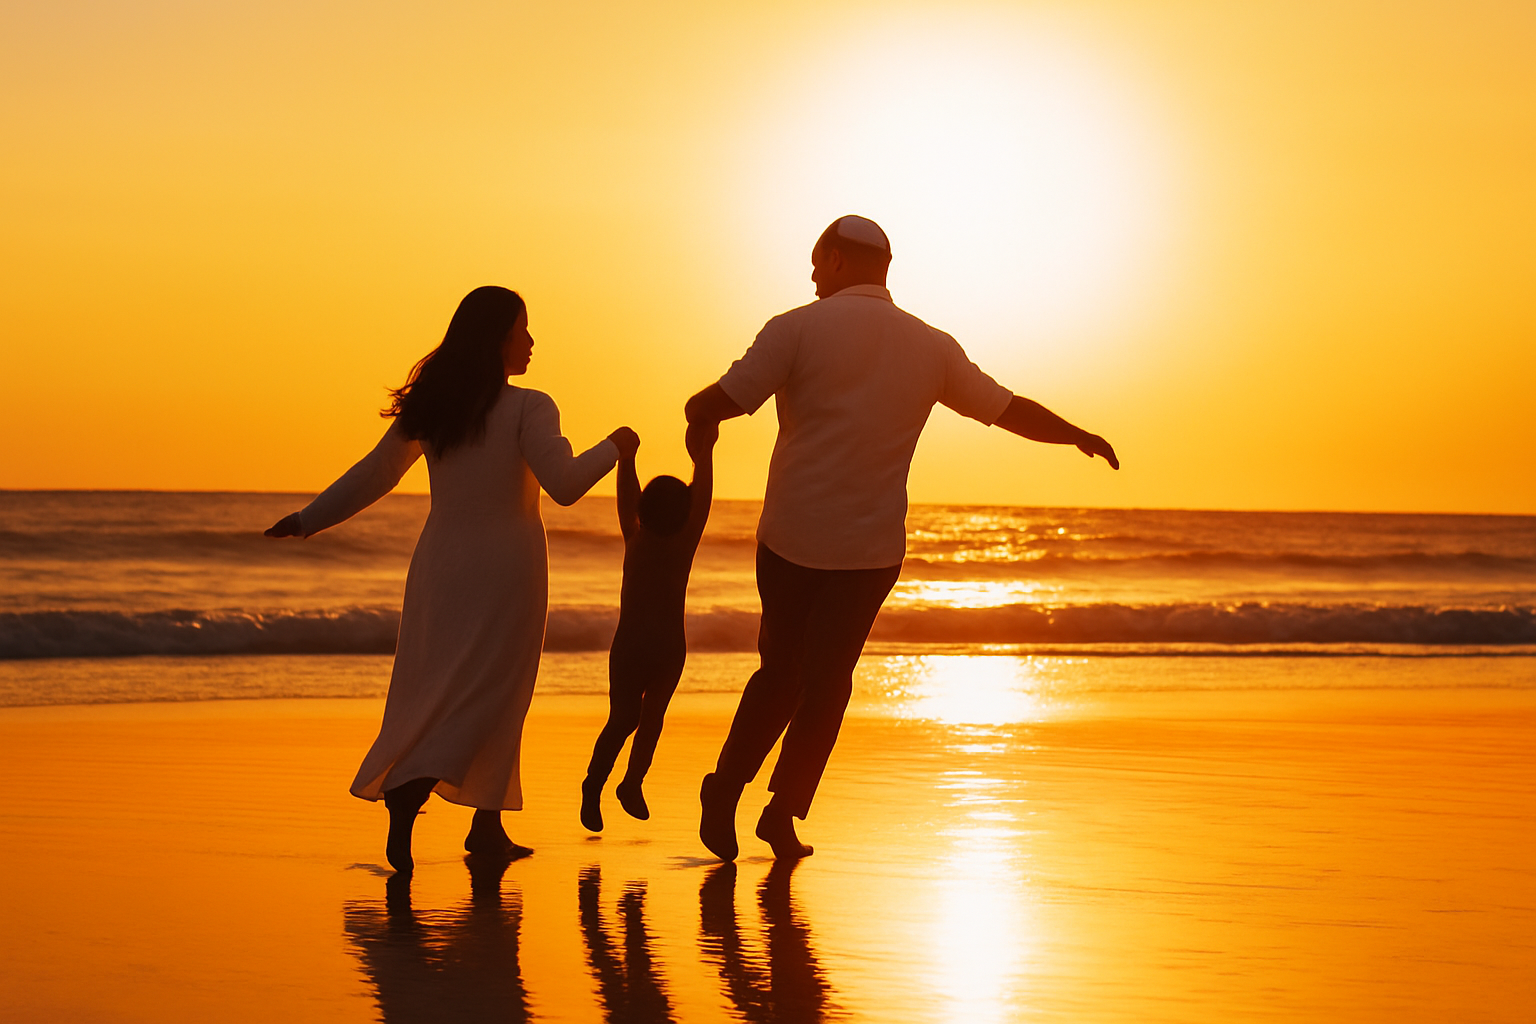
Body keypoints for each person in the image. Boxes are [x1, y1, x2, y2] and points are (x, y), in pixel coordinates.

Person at [686, 215, 1119, 862]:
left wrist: (699, 433)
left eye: (814, 261)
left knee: (781, 674)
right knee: (830, 681)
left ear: (835, 259)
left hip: (790, 538)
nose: (810, 275)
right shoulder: (931, 346)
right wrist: (1077, 434)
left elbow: (717, 401)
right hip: (872, 551)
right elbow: (1007, 410)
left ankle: (725, 789)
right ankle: (781, 812)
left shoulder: (795, 327)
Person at [265, 285, 638, 873]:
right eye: (523, 330)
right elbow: (565, 485)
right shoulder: (530, 406)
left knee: (446, 686)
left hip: (440, 565)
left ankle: (485, 825)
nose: (532, 341)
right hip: (506, 569)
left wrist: (310, 518)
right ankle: (411, 785)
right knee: (496, 692)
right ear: (498, 340)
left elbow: (376, 473)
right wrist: (616, 446)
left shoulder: (438, 407)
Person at [580, 420, 716, 832]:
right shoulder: (682, 540)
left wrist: (628, 456)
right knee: (641, 718)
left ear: (644, 510)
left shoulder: (635, 536)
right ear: (685, 511)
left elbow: (627, 495)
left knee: (628, 719)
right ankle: (614, 783)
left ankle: (616, 783)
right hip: (663, 646)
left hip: (637, 646)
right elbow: (704, 494)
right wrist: (704, 451)